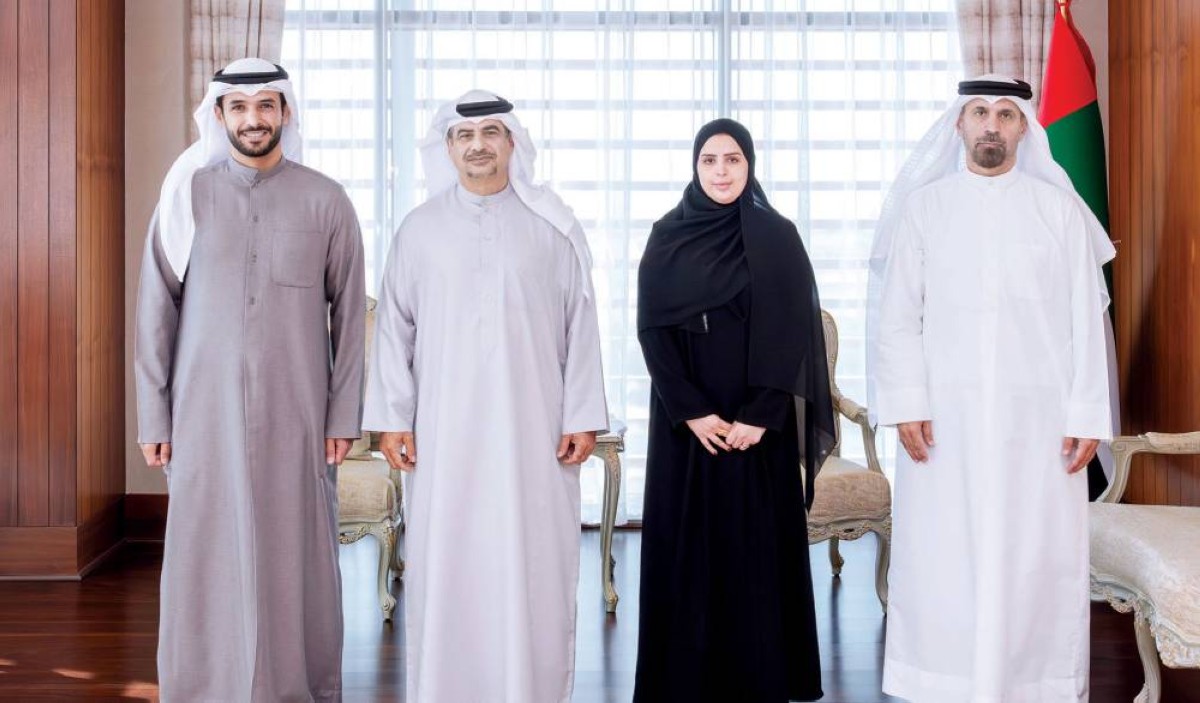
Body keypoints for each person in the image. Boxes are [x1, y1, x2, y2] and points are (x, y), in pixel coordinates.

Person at [867, 75, 1115, 702]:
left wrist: (1087, 414)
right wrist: (906, 405)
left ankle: (1035, 683)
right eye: (979, 112)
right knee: (944, 553)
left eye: (1005, 114)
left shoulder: (1059, 212)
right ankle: (942, 682)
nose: (991, 125)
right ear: (959, 124)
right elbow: (897, 318)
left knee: (1034, 555)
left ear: (1024, 127)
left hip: (1040, 424)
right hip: (943, 422)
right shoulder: (925, 209)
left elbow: (1087, 322)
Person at [363, 90, 608, 703]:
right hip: (444, 434)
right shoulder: (419, 230)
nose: (478, 146)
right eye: (465, 135)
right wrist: (393, 419)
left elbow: (581, 325)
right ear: (446, 147)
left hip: (534, 434)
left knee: (531, 565)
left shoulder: (553, 227)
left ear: (512, 142)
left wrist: (582, 415)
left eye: (491, 133)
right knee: (447, 563)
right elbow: (394, 330)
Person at [135, 57, 365, 702]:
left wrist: (343, 416)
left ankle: (298, 688)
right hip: (200, 412)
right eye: (239, 107)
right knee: (204, 553)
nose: (253, 118)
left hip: (300, 414)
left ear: (286, 112)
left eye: (266, 105)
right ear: (219, 115)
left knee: (297, 556)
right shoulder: (186, 197)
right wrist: (154, 417)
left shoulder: (326, 200)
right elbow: (154, 310)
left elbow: (350, 316)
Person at [634, 118, 836, 703]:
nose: (721, 172)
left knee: (754, 552)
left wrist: (761, 414)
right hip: (688, 426)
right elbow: (651, 331)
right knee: (689, 550)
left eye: (733, 160)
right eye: (710, 160)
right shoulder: (667, 235)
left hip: (756, 425)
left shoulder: (778, 237)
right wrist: (692, 411)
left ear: (749, 165)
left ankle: (760, 675)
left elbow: (795, 332)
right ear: (695, 166)